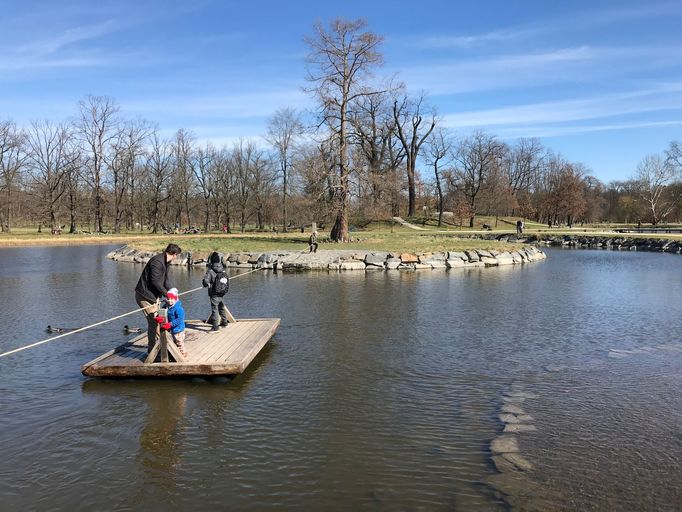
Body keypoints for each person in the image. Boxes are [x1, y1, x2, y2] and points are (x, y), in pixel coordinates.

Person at [135, 243, 183, 353]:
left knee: (159, 320)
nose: (176, 258)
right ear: (174, 254)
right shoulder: (157, 262)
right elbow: (155, 281)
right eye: (177, 255)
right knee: (154, 322)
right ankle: (153, 350)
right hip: (145, 296)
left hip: (153, 296)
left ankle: (161, 346)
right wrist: (167, 295)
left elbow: (165, 280)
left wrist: (172, 292)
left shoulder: (166, 262)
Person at [203, 251, 230, 331]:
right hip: (222, 292)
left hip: (214, 294)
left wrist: (204, 284)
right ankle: (224, 322)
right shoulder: (222, 269)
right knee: (221, 307)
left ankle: (215, 326)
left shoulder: (210, 271)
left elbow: (205, 281)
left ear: (211, 261)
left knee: (214, 309)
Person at [159, 288, 187, 358]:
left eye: (172, 299)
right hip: (173, 329)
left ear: (176, 298)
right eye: (168, 299)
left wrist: (170, 324)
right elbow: (163, 311)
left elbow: (180, 319)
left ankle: (183, 354)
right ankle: (176, 354)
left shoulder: (178, 308)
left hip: (179, 329)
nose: (170, 300)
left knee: (179, 342)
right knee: (174, 341)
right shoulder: (167, 306)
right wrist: (159, 317)